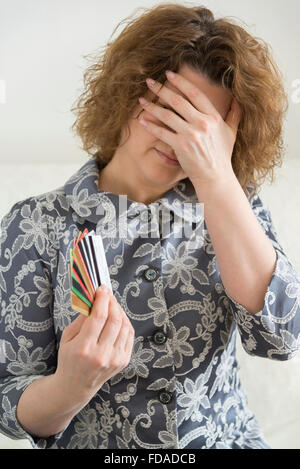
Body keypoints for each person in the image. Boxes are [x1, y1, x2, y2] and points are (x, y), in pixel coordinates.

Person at [0, 3, 299, 450]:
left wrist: (217, 176)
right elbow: (9, 401)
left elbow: (282, 337)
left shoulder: (236, 204)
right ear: (125, 94)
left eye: (202, 126)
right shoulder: (36, 226)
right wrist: (71, 386)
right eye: (168, 111)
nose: (180, 140)